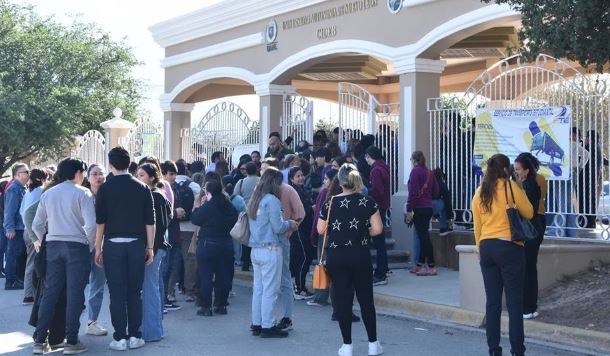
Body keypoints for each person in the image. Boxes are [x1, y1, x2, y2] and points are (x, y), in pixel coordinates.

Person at [317, 163, 384, 356]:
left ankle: (347, 345)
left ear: (339, 181)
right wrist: (362, 231)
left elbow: (321, 229)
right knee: (366, 300)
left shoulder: (330, 203)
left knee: (343, 300)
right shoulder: (368, 201)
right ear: (357, 180)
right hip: (360, 254)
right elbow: (378, 229)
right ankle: (373, 344)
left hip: (336, 256)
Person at [32, 157, 96, 355]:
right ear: (78, 172)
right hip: (77, 246)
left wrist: (43, 241)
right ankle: (72, 339)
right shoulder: (83, 193)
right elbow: (91, 225)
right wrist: (90, 245)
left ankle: (40, 340)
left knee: (50, 293)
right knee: (75, 294)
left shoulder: (49, 193)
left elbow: (36, 224)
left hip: (52, 245)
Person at [472, 154, 533, 356]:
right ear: (506, 170)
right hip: (509, 247)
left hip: (487, 248)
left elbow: (477, 227)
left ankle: (493, 350)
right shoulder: (510, 187)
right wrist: (519, 187)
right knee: (514, 302)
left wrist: (480, 251)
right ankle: (517, 350)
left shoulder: (480, 192)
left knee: (493, 302)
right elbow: (530, 212)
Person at [95, 146, 155, 351]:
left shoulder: (105, 188)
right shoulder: (142, 187)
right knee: (134, 292)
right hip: (137, 244)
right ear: (130, 164)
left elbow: (100, 222)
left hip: (112, 245)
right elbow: (150, 221)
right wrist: (150, 247)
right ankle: (135, 335)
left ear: (111, 164)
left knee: (116, 293)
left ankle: (119, 337)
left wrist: (98, 248)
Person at [247, 168, 298, 338]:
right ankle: (268, 325)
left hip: (255, 249)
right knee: (270, 290)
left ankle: (257, 323)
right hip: (270, 249)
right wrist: (290, 223)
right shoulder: (272, 201)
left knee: (259, 289)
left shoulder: (255, 200)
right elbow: (278, 227)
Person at [261, 158, 305, 332]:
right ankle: (270, 319)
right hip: (272, 239)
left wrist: (289, 229)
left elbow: (300, 213)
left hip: (277, 238)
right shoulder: (267, 191)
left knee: (282, 280)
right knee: (275, 281)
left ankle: (285, 316)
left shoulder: (285, 190)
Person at [191, 180, 238, 316]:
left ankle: (206, 307)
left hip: (207, 243)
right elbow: (235, 218)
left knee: (206, 276)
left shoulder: (208, 206)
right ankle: (221, 304)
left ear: (209, 192)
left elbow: (195, 219)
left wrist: (201, 205)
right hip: (225, 243)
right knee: (224, 276)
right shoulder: (228, 206)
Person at [137, 163, 172, 341]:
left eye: (142, 175)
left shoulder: (154, 197)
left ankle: (151, 331)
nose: (138, 178)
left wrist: (150, 249)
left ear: (151, 177)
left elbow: (157, 228)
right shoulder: (159, 196)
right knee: (153, 288)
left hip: (155, 248)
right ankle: (155, 328)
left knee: (150, 289)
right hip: (158, 248)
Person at [513, 153, 546, 320]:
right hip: (535, 229)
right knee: (530, 269)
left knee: (526, 269)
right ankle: (531, 306)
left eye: (518, 169)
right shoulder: (533, 182)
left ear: (526, 170)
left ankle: (527, 308)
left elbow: (527, 211)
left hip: (529, 231)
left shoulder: (527, 186)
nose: (515, 172)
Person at [307, 168, 338, 307]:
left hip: (324, 234)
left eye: (326, 179)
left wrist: (313, 234)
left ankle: (320, 297)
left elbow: (318, 217)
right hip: (337, 236)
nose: (323, 181)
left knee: (322, 265)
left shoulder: (324, 193)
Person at [83, 164, 109, 337]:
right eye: (94, 174)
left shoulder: (109, 196)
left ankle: (92, 322)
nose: (98, 177)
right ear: (88, 177)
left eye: (101, 174)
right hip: (83, 245)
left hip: (104, 246)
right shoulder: (82, 196)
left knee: (97, 286)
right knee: (77, 285)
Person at [405, 151, 439, 276]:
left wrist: (409, 210)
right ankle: (420, 264)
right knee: (423, 236)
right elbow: (436, 191)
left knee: (424, 238)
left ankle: (431, 265)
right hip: (428, 207)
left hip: (419, 208)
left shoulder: (415, 172)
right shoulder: (430, 172)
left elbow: (413, 193)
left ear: (414, 160)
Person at [21, 168, 48, 304]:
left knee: (30, 261)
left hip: (27, 230)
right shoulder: (41, 192)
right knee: (35, 263)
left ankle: (29, 293)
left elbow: (22, 212)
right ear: (43, 179)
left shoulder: (28, 192)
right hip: (34, 231)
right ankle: (29, 294)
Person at [287, 167, 315, 299]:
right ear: (292, 179)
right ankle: (299, 287)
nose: (301, 178)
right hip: (299, 228)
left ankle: (301, 286)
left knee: (305, 257)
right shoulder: (294, 192)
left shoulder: (303, 190)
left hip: (306, 227)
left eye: (302, 175)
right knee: (303, 257)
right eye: (297, 176)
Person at [365, 146, 390, 285]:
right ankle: (383, 269)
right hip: (383, 206)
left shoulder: (375, 170)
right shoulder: (384, 167)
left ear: (369, 156)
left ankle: (380, 273)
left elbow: (377, 190)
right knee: (380, 241)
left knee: (378, 241)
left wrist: (365, 190)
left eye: (366, 158)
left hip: (376, 208)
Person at [160, 160, 182, 311]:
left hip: (174, 233)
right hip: (165, 234)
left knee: (171, 267)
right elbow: (162, 213)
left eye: (175, 174)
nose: (174, 177)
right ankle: (162, 299)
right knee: (165, 269)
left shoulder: (175, 188)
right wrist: (175, 213)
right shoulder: (161, 189)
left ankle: (166, 296)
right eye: (171, 174)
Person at [4, 163, 30, 290]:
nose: (28, 173)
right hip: (16, 228)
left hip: (21, 227)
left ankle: (16, 279)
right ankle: (11, 281)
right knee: (13, 254)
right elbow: (9, 211)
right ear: (17, 174)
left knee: (18, 254)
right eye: (26, 171)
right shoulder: (14, 189)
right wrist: (9, 228)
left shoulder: (22, 188)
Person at [233, 161, 260, 271]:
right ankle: (255, 262)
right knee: (257, 238)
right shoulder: (261, 181)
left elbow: (236, 196)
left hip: (245, 213)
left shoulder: (241, 182)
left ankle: (245, 263)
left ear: (246, 171)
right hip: (258, 213)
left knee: (245, 238)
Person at [432, 168, 453, 236]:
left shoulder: (429, 183)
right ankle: (443, 228)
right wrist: (450, 217)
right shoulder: (441, 184)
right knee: (444, 202)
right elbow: (447, 202)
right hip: (432, 205)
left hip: (423, 206)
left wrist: (436, 215)